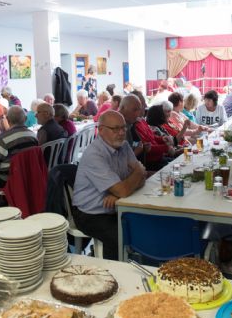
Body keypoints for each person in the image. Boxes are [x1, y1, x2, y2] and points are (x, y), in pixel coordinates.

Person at [72, 110, 146, 260]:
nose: (121, 133)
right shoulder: (95, 154)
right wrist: (137, 171)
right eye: (115, 129)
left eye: (123, 128)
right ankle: (111, 274)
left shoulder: (123, 146)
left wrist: (117, 193)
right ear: (101, 130)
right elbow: (131, 183)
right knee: (119, 236)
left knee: (144, 224)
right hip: (89, 213)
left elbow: (141, 180)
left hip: (116, 206)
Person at [0, 106, 38, 188]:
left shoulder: (4, 138)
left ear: (7, 119)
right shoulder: (33, 136)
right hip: (28, 176)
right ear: (25, 119)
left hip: (8, 179)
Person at [120, 95, 175, 171]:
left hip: (142, 165)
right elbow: (121, 161)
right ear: (122, 108)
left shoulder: (132, 122)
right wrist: (166, 148)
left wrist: (162, 139)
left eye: (140, 108)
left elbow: (144, 141)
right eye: (135, 109)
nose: (138, 113)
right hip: (145, 165)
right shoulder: (122, 125)